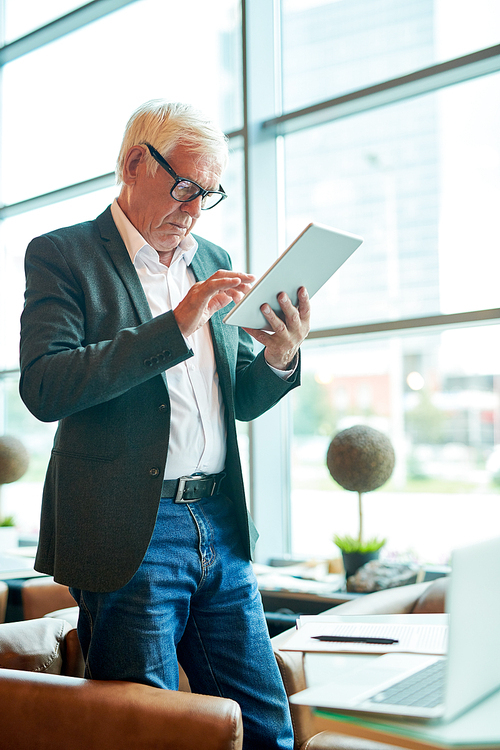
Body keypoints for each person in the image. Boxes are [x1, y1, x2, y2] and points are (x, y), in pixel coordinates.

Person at [19, 100, 310, 749]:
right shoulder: (64, 255)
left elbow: (239, 398)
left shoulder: (212, 256)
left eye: (210, 194)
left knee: (265, 724)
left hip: (222, 528)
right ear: (133, 164)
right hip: (131, 531)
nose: (195, 209)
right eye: (185, 187)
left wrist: (280, 355)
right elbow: (45, 385)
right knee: (149, 732)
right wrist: (177, 324)